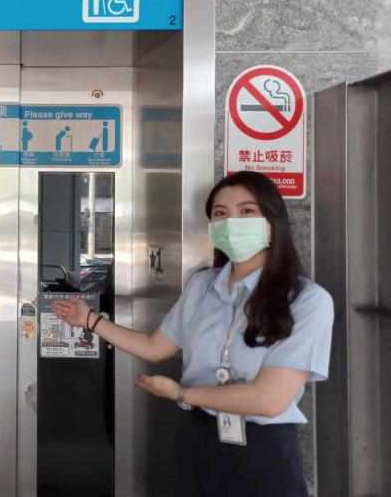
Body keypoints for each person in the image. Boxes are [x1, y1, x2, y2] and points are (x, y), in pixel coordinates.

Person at [52, 171, 333, 497]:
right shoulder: (202, 286)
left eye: (246, 212)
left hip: (263, 450)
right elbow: (157, 347)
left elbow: (269, 400)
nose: (231, 222)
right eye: (220, 213)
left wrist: (181, 393)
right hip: (198, 438)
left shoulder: (307, 300)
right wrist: (90, 320)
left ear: (272, 223)